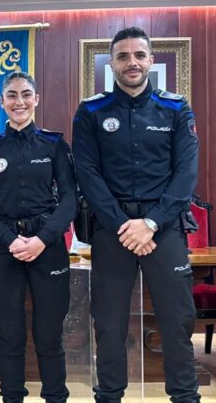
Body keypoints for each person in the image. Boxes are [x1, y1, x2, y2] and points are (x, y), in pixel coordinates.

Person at [72, 26, 200, 403]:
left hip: (164, 228)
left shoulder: (176, 108)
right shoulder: (90, 111)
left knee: (177, 320)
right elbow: (87, 174)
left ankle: (185, 396)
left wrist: (151, 224)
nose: (132, 63)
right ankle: (110, 395)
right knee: (109, 323)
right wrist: (124, 226)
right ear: (111, 63)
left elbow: (186, 173)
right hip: (113, 229)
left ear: (150, 60)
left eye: (139, 55)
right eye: (124, 56)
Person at [0, 72, 76, 403]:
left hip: (48, 246)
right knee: (10, 334)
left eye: (26, 94)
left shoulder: (54, 145)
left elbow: (70, 199)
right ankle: (12, 397)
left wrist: (42, 239)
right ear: (2, 102)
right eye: (12, 95)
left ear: (36, 99)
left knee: (49, 334)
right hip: (5, 248)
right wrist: (9, 239)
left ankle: (55, 397)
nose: (19, 102)